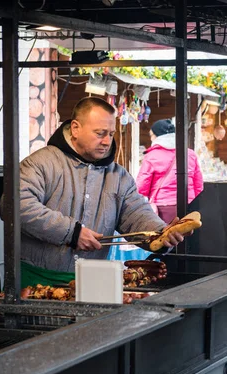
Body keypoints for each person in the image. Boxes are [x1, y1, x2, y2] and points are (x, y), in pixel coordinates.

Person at [15, 97, 186, 284]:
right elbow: (16, 205)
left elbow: (137, 214)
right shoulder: (41, 163)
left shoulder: (118, 176)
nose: (107, 141)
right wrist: (71, 232)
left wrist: (161, 233)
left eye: (111, 134)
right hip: (35, 280)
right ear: (75, 128)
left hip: (91, 282)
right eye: (100, 133)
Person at [136, 118, 204, 223]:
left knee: (168, 237)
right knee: (188, 237)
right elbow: (198, 185)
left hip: (163, 209)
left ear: (157, 136)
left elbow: (141, 188)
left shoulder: (152, 156)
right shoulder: (190, 154)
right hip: (189, 206)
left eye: (151, 135)